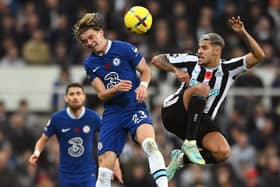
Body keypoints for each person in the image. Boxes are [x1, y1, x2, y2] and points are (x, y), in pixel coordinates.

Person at [151, 16, 265, 180]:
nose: (199, 51)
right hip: (173, 112)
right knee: (203, 88)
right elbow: (157, 59)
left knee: (223, 152)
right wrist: (175, 70)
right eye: (199, 47)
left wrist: (243, 33)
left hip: (197, 122)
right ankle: (189, 143)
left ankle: (181, 158)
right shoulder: (191, 60)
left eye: (204, 48)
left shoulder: (229, 69)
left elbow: (259, 56)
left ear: (217, 50)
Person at [73, 13, 168, 187]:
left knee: (149, 144)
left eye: (91, 37)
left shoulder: (125, 49)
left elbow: (146, 71)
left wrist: (142, 87)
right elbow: (101, 94)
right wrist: (116, 88)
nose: (89, 43)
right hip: (112, 114)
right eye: (85, 41)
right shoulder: (90, 63)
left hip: (134, 107)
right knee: (104, 168)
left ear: (101, 32)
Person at [28, 83, 122, 187]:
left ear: (84, 97)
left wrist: (115, 163)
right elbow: (43, 139)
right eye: (71, 94)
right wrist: (36, 153)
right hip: (66, 174)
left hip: (88, 174)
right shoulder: (57, 119)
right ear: (66, 98)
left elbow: (109, 138)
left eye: (78, 93)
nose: (75, 97)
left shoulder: (93, 117)